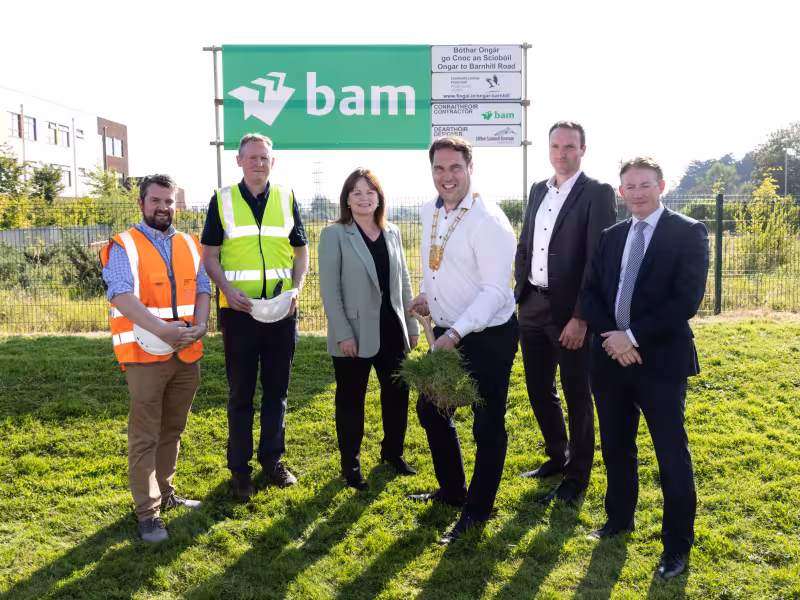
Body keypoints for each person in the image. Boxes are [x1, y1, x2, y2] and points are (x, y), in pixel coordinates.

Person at [580, 156, 709, 580]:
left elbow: (684, 301)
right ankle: (618, 520)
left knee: (670, 455)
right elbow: (592, 294)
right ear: (621, 192)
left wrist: (631, 337)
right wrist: (613, 341)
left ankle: (676, 546)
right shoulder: (610, 235)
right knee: (616, 447)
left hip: (659, 361)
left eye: (645, 185)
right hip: (609, 360)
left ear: (662, 186)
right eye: (629, 186)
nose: (637, 193)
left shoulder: (688, 232)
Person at [407, 136, 519, 545]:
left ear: (471, 168)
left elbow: (493, 291)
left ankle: (477, 510)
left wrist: (455, 333)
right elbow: (435, 266)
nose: (447, 177)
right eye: (439, 168)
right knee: (431, 408)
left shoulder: (489, 221)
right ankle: (454, 491)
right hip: (448, 332)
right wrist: (427, 296)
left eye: (455, 168)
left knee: (488, 424)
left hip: (487, 335)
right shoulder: (429, 211)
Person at [100, 174, 211, 543]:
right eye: (156, 201)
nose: (164, 207)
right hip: (144, 355)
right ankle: (148, 514)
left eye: (170, 201)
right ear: (142, 204)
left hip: (186, 352)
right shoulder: (124, 245)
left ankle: (165, 492)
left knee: (173, 429)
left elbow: (203, 289)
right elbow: (120, 294)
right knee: (145, 435)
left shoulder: (191, 244)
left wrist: (202, 324)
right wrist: (162, 330)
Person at [201, 133, 309, 501]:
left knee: (277, 392)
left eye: (265, 158)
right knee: (241, 394)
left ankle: (272, 460)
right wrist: (227, 291)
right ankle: (240, 469)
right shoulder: (221, 200)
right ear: (239, 161)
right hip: (240, 312)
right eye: (252, 157)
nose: (259, 163)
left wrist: (296, 289)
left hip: (282, 311)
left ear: (272, 162)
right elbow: (210, 257)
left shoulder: (287, 197)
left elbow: (301, 253)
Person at [514, 121, 617, 505]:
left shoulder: (597, 193)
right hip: (531, 305)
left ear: (583, 150)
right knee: (539, 389)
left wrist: (581, 317)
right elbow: (526, 243)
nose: (562, 153)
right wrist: (519, 289)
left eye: (570, 147)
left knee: (577, 395)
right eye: (556, 146)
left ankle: (577, 477)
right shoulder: (538, 189)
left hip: (570, 314)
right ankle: (557, 457)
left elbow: (598, 261)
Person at [318, 168, 420, 491]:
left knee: (397, 396)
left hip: (392, 331)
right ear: (347, 199)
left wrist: (412, 324)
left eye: (370, 192)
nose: (364, 198)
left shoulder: (393, 233)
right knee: (351, 400)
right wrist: (343, 332)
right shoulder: (334, 234)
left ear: (379, 197)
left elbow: (403, 281)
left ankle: (392, 454)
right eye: (356, 192)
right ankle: (351, 464)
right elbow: (329, 289)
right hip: (353, 334)